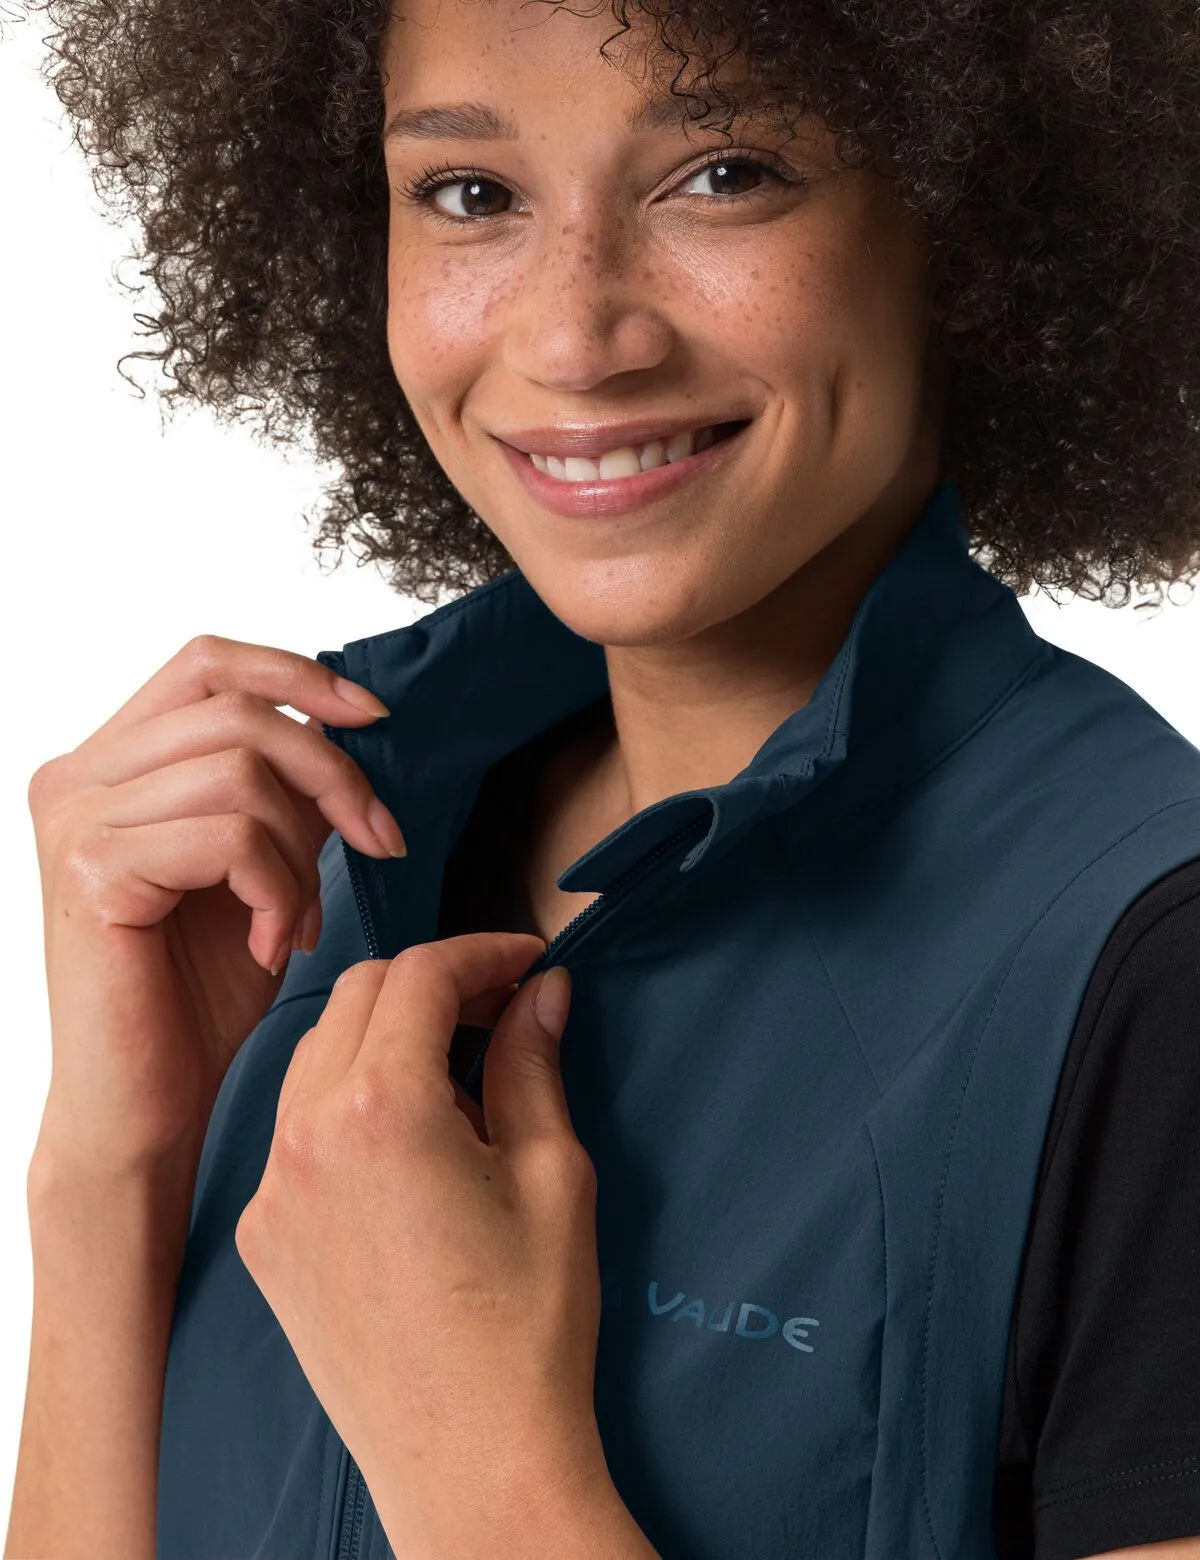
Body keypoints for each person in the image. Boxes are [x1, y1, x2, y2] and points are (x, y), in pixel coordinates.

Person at [7, 0, 1200, 1556]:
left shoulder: (1148, 975)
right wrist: (118, 1175)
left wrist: (474, 1455)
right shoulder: (314, 875)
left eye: (724, 174)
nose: (574, 338)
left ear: (974, 217)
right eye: (470, 193)